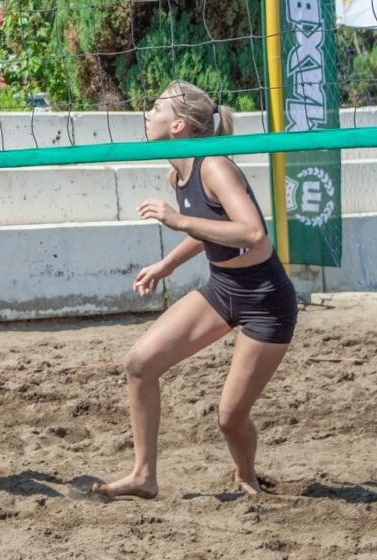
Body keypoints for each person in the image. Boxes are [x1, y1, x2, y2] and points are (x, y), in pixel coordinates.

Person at [95, 80, 297, 500]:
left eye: (155, 108)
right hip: (223, 288)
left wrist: (178, 220)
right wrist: (166, 265)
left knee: (229, 417)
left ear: (179, 125)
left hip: (265, 299)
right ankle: (144, 476)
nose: (147, 114)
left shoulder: (214, 166)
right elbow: (213, 225)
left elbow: (253, 233)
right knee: (140, 364)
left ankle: (246, 476)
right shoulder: (178, 171)